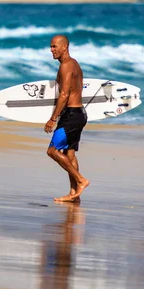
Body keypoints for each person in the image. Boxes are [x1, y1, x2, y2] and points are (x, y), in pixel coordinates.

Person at [45, 35, 90, 203]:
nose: (52, 49)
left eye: (55, 46)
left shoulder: (65, 66)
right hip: (80, 114)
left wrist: (53, 118)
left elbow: (64, 94)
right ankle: (74, 193)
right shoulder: (75, 64)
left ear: (65, 47)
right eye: (51, 46)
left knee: (52, 151)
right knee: (69, 154)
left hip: (71, 115)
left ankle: (81, 180)